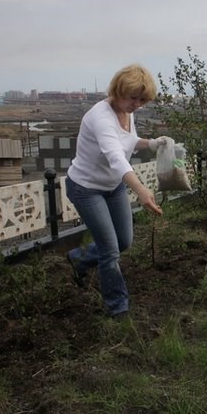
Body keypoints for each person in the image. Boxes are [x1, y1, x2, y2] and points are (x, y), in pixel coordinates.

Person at [65, 64, 166, 317]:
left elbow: (129, 143)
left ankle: (79, 258)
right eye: (134, 98)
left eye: (142, 100)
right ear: (118, 90)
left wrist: (153, 143)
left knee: (124, 241)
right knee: (109, 251)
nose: (137, 104)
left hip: (113, 186)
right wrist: (141, 191)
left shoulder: (127, 113)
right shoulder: (100, 118)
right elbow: (116, 157)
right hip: (86, 189)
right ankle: (117, 306)